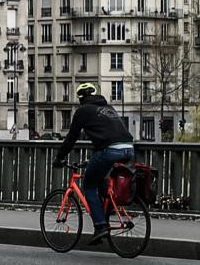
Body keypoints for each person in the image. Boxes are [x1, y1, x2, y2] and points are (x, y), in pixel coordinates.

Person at [55, 83, 140, 236]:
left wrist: (59, 157)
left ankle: (101, 226)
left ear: (81, 97)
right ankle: (108, 208)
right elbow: (106, 134)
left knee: (89, 186)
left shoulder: (83, 111)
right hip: (129, 148)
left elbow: (71, 138)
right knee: (101, 180)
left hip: (111, 150)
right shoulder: (109, 108)